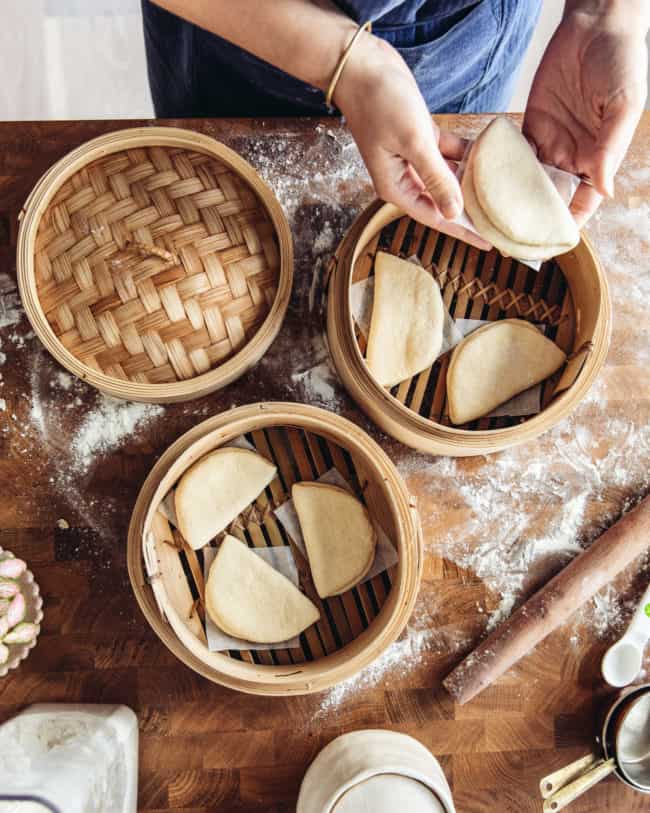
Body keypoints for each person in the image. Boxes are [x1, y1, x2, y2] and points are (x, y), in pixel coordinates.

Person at [141, 0, 648, 246]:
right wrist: (349, 65)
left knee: (437, 212)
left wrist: (606, 14)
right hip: (246, 26)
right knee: (223, 225)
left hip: (465, 28)